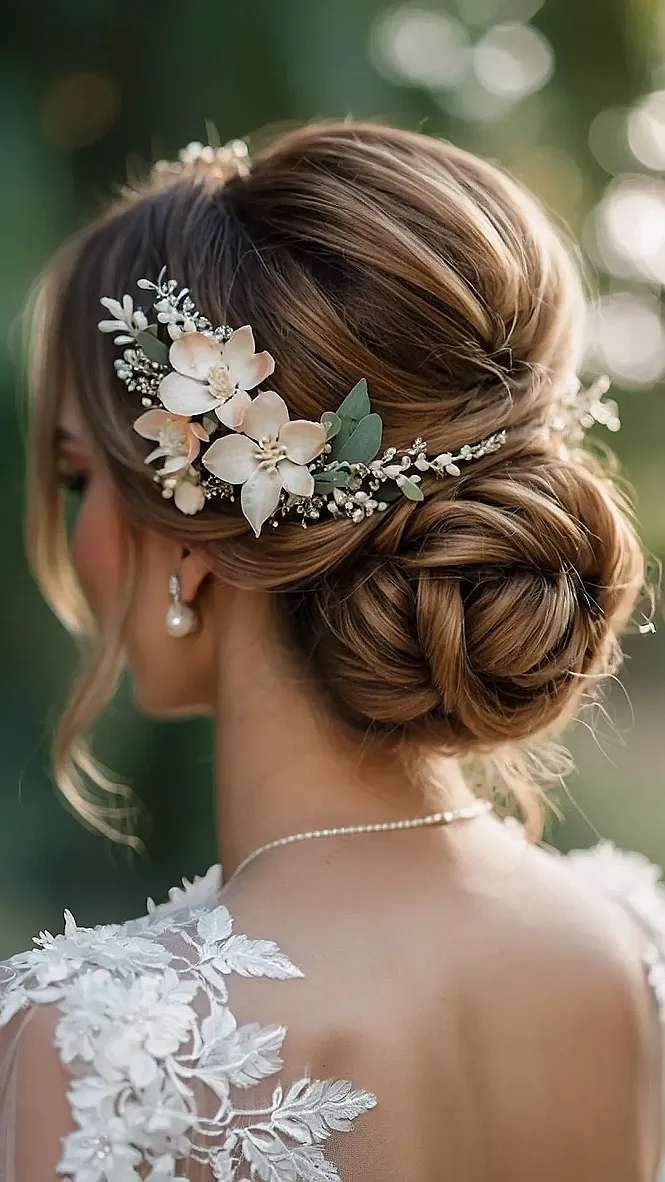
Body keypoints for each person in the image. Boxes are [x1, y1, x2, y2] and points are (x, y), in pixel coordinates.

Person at [0, 120, 662, 1182]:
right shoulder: (627, 951)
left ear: (187, 528)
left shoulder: (98, 1046)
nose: (74, 539)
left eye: (79, 476)